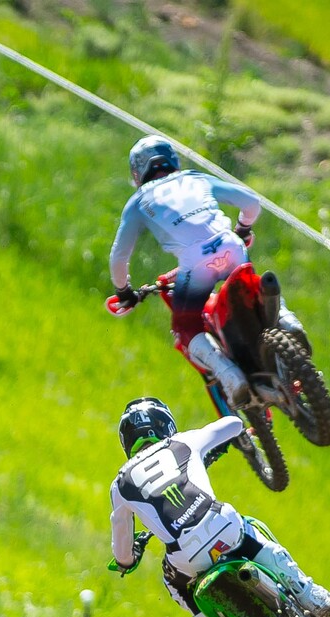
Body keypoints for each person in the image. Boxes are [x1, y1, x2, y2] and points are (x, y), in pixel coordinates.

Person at [105, 395, 330, 617]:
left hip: (186, 557)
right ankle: (306, 590)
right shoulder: (184, 442)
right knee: (251, 531)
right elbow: (233, 424)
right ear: (165, 424)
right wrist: (225, 439)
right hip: (221, 526)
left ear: (127, 441)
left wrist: (127, 560)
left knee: (176, 586)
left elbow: (121, 545)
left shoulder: (120, 484)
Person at [106, 136, 269, 412]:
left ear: (137, 173)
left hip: (196, 263)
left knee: (185, 326)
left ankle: (230, 376)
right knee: (256, 289)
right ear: (173, 160)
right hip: (230, 244)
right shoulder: (195, 178)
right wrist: (242, 229)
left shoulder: (138, 202)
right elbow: (251, 202)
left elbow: (119, 257)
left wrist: (125, 292)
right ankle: (288, 323)